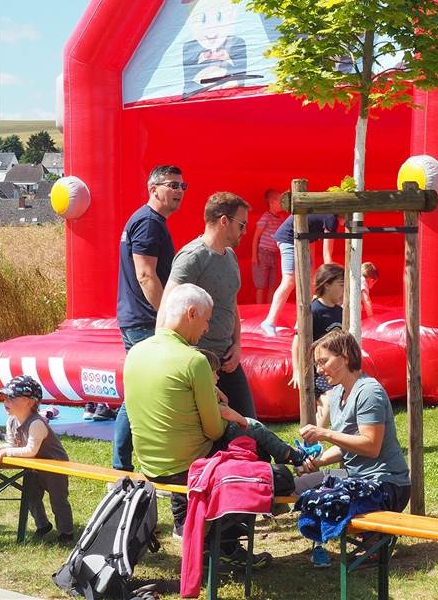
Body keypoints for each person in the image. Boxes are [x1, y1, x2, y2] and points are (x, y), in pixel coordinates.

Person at [126, 284, 270, 569]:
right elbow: (215, 431)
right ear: (191, 313)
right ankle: (223, 542)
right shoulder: (194, 361)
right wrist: (229, 413)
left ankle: (197, 529)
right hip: (187, 468)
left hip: (151, 463)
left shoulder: (136, 352)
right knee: (257, 452)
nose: (206, 329)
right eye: (205, 321)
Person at [298, 330, 411, 567]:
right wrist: (316, 463)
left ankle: (377, 542)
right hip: (358, 479)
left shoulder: (369, 391)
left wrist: (325, 433)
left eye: (324, 361)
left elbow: (370, 446)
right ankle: (371, 540)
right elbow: (348, 446)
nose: (319, 369)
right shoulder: (338, 392)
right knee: (305, 490)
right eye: (317, 363)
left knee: (325, 498)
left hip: (387, 485)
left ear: (346, 356)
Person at [110, 164, 185, 471]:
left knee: (138, 392)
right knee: (141, 392)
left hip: (138, 318)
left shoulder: (147, 221)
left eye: (183, 186)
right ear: (154, 189)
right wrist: (165, 318)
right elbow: (145, 275)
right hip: (145, 320)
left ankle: (123, 462)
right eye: (173, 185)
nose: (180, 192)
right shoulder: (149, 222)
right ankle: (123, 464)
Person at [160, 191, 256, 418]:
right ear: (224, 221)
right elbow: (167, 309)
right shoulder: (192, 257)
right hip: (198, 358)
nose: (245, 231)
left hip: (226, 358)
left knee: (249, 422)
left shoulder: (230, 256)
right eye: (242, 225)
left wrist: (237, 344)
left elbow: (231, 303)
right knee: (210, 432)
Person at [197, 348, 309, 470]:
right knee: (254, 427)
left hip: (218, 434)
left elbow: (225, 401)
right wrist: (242, 420)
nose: (218, 377)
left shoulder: (203, 389)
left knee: (257, 440)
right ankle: (289, 453)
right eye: (214, 373)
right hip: (220, 435)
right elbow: (224, 411)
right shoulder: (205, 393)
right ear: (205, 374)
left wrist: (217, 390)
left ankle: (282, 456)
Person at [0, 375, 74, 543]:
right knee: (31, 496)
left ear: (29, 402)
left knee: (58, 500)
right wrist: (1, 448)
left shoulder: (36, 423)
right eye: (5, 396)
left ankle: (66, 532)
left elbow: (30, 450)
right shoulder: (11, 421)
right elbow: (12, 443)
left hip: (54, 467)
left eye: (11, 397)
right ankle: (43, 525)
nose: (5, 401)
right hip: (33, 467)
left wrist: (6, 452)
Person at [260, 213, 338, 336]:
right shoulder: (331, 218)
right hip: (289, 238)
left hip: (303, 240)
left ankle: (301, 322)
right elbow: (327, 254)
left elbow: (311, 238)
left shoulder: (324, 217)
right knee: (289, 280)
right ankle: (269, 321)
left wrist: (312, 272)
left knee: (310, 282)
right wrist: (334, 278)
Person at [290, 263, 346, 426]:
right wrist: (297, 370)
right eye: (341, 285)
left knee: (340, 404)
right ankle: (314, 443)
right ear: (327, 285)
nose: (344, 290)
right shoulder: (313, 310)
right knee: (328, 403)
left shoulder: (339, 311)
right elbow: (297, 341)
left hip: (336, 369)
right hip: (317, 371)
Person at [251, 189, 286, 305]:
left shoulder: (281, 219)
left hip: (274, 254)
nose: (281, 204)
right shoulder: (266, 217)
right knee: (260, 284)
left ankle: (269, 307)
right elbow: (256, 237)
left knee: (272, 284)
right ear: (271, 202)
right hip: (263, 253)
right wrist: (254, 256)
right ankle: (259, 307)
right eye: (280, 201)